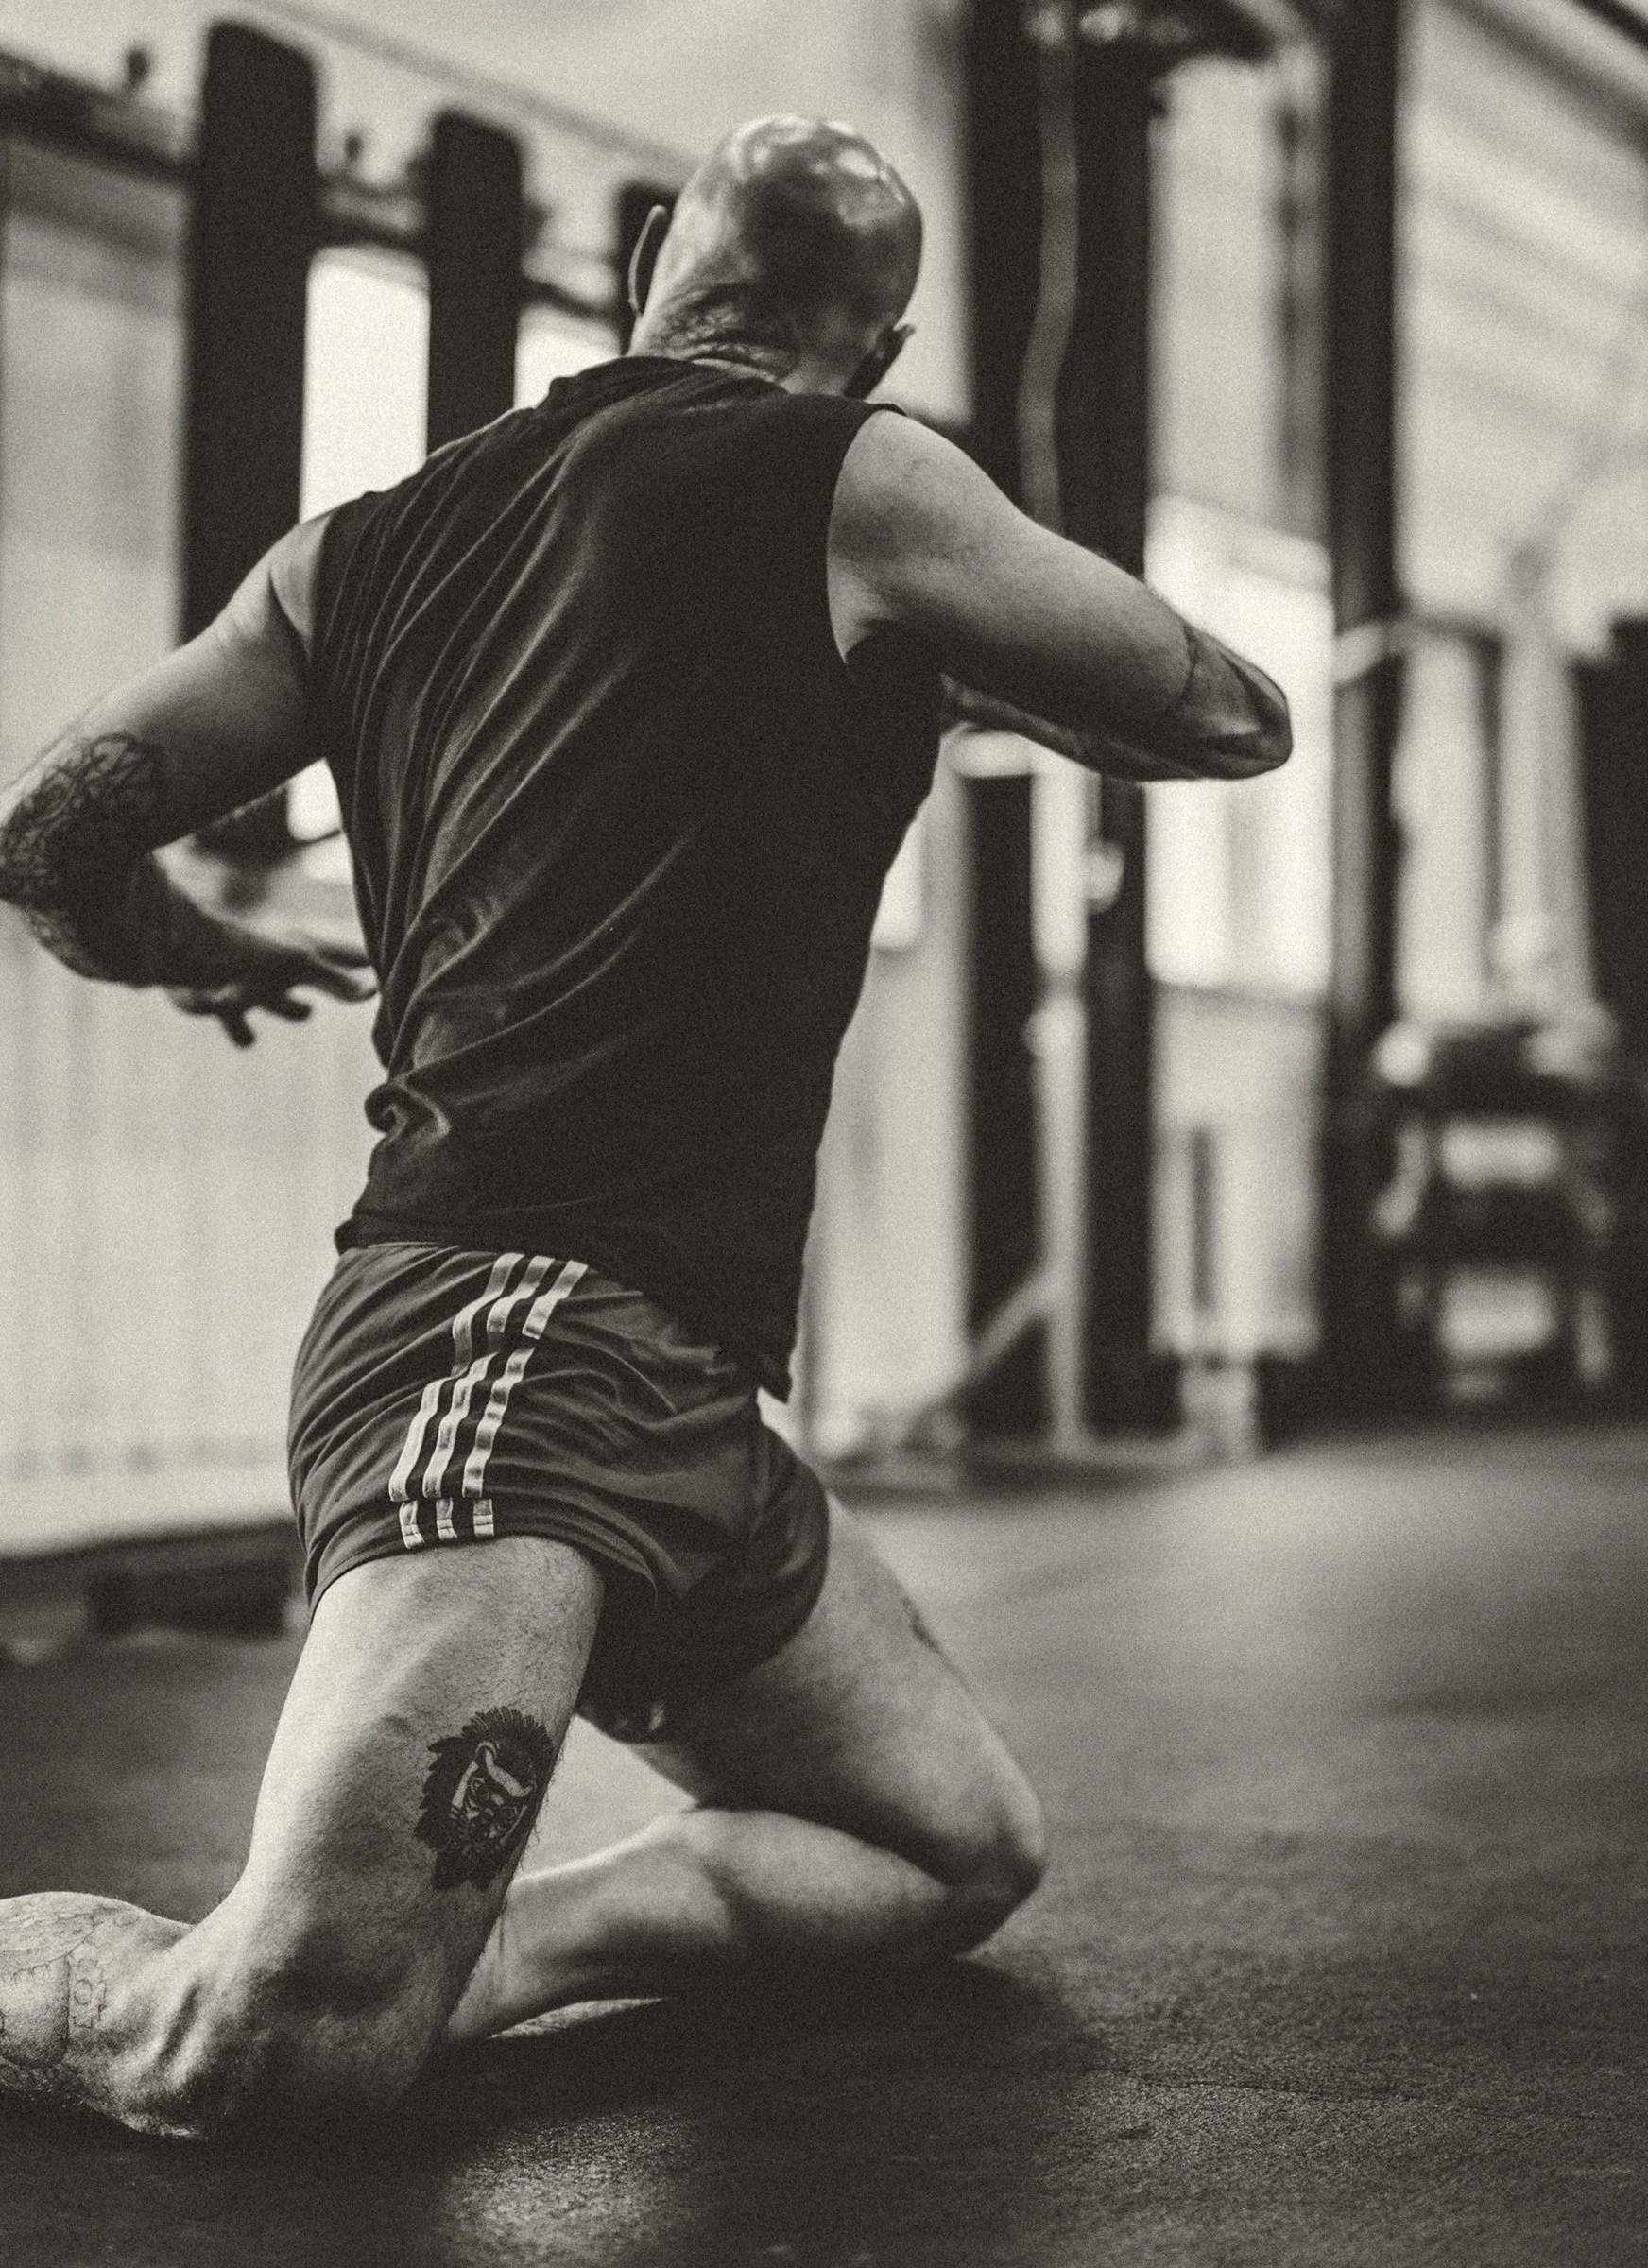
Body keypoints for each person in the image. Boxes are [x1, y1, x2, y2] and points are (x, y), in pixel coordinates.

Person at [0, 114, 1289, 2139]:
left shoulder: (350, 549)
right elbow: (1223, 708)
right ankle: (361, 1976)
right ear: (880, 344)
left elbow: (52, 830)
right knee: (247, 2047)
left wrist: (166, 946)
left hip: (672, 1379)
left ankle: (478, 1959)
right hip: (505, 1333)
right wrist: (969, 669)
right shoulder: (854, 473)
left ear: (644, 278)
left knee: (948, 1851)